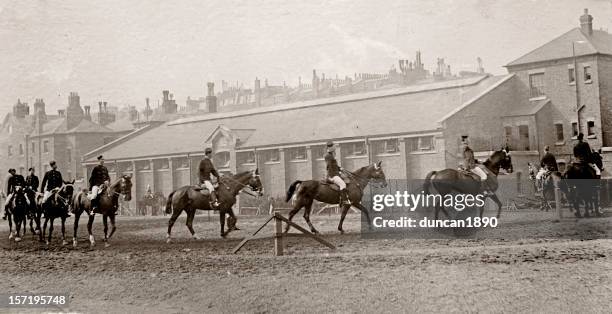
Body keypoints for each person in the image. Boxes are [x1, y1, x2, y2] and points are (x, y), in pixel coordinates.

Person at [325, 141, 351, 205]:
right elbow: (329, 167)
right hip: (333, 175)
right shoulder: (328, 156)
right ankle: (344, 201)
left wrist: (340, 168)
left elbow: (334, 165)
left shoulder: (331, 155)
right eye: (334, 146)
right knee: (343, 184)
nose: (335, 147)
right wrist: (331, 176)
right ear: (330, 147)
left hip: (335, 173)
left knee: (347, 178)